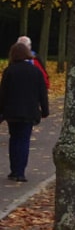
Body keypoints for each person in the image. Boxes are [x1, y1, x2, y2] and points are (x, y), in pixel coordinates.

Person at [0, 41, 49, 182]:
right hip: (29, 111)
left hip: (12, 112)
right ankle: (20, 171)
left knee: (14, 139)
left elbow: (3, 93)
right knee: (24, 140)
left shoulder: (9, 71)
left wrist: (1, 110)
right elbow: (42, 93)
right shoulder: (35, 71)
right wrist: (45, 110)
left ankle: (14, 169)